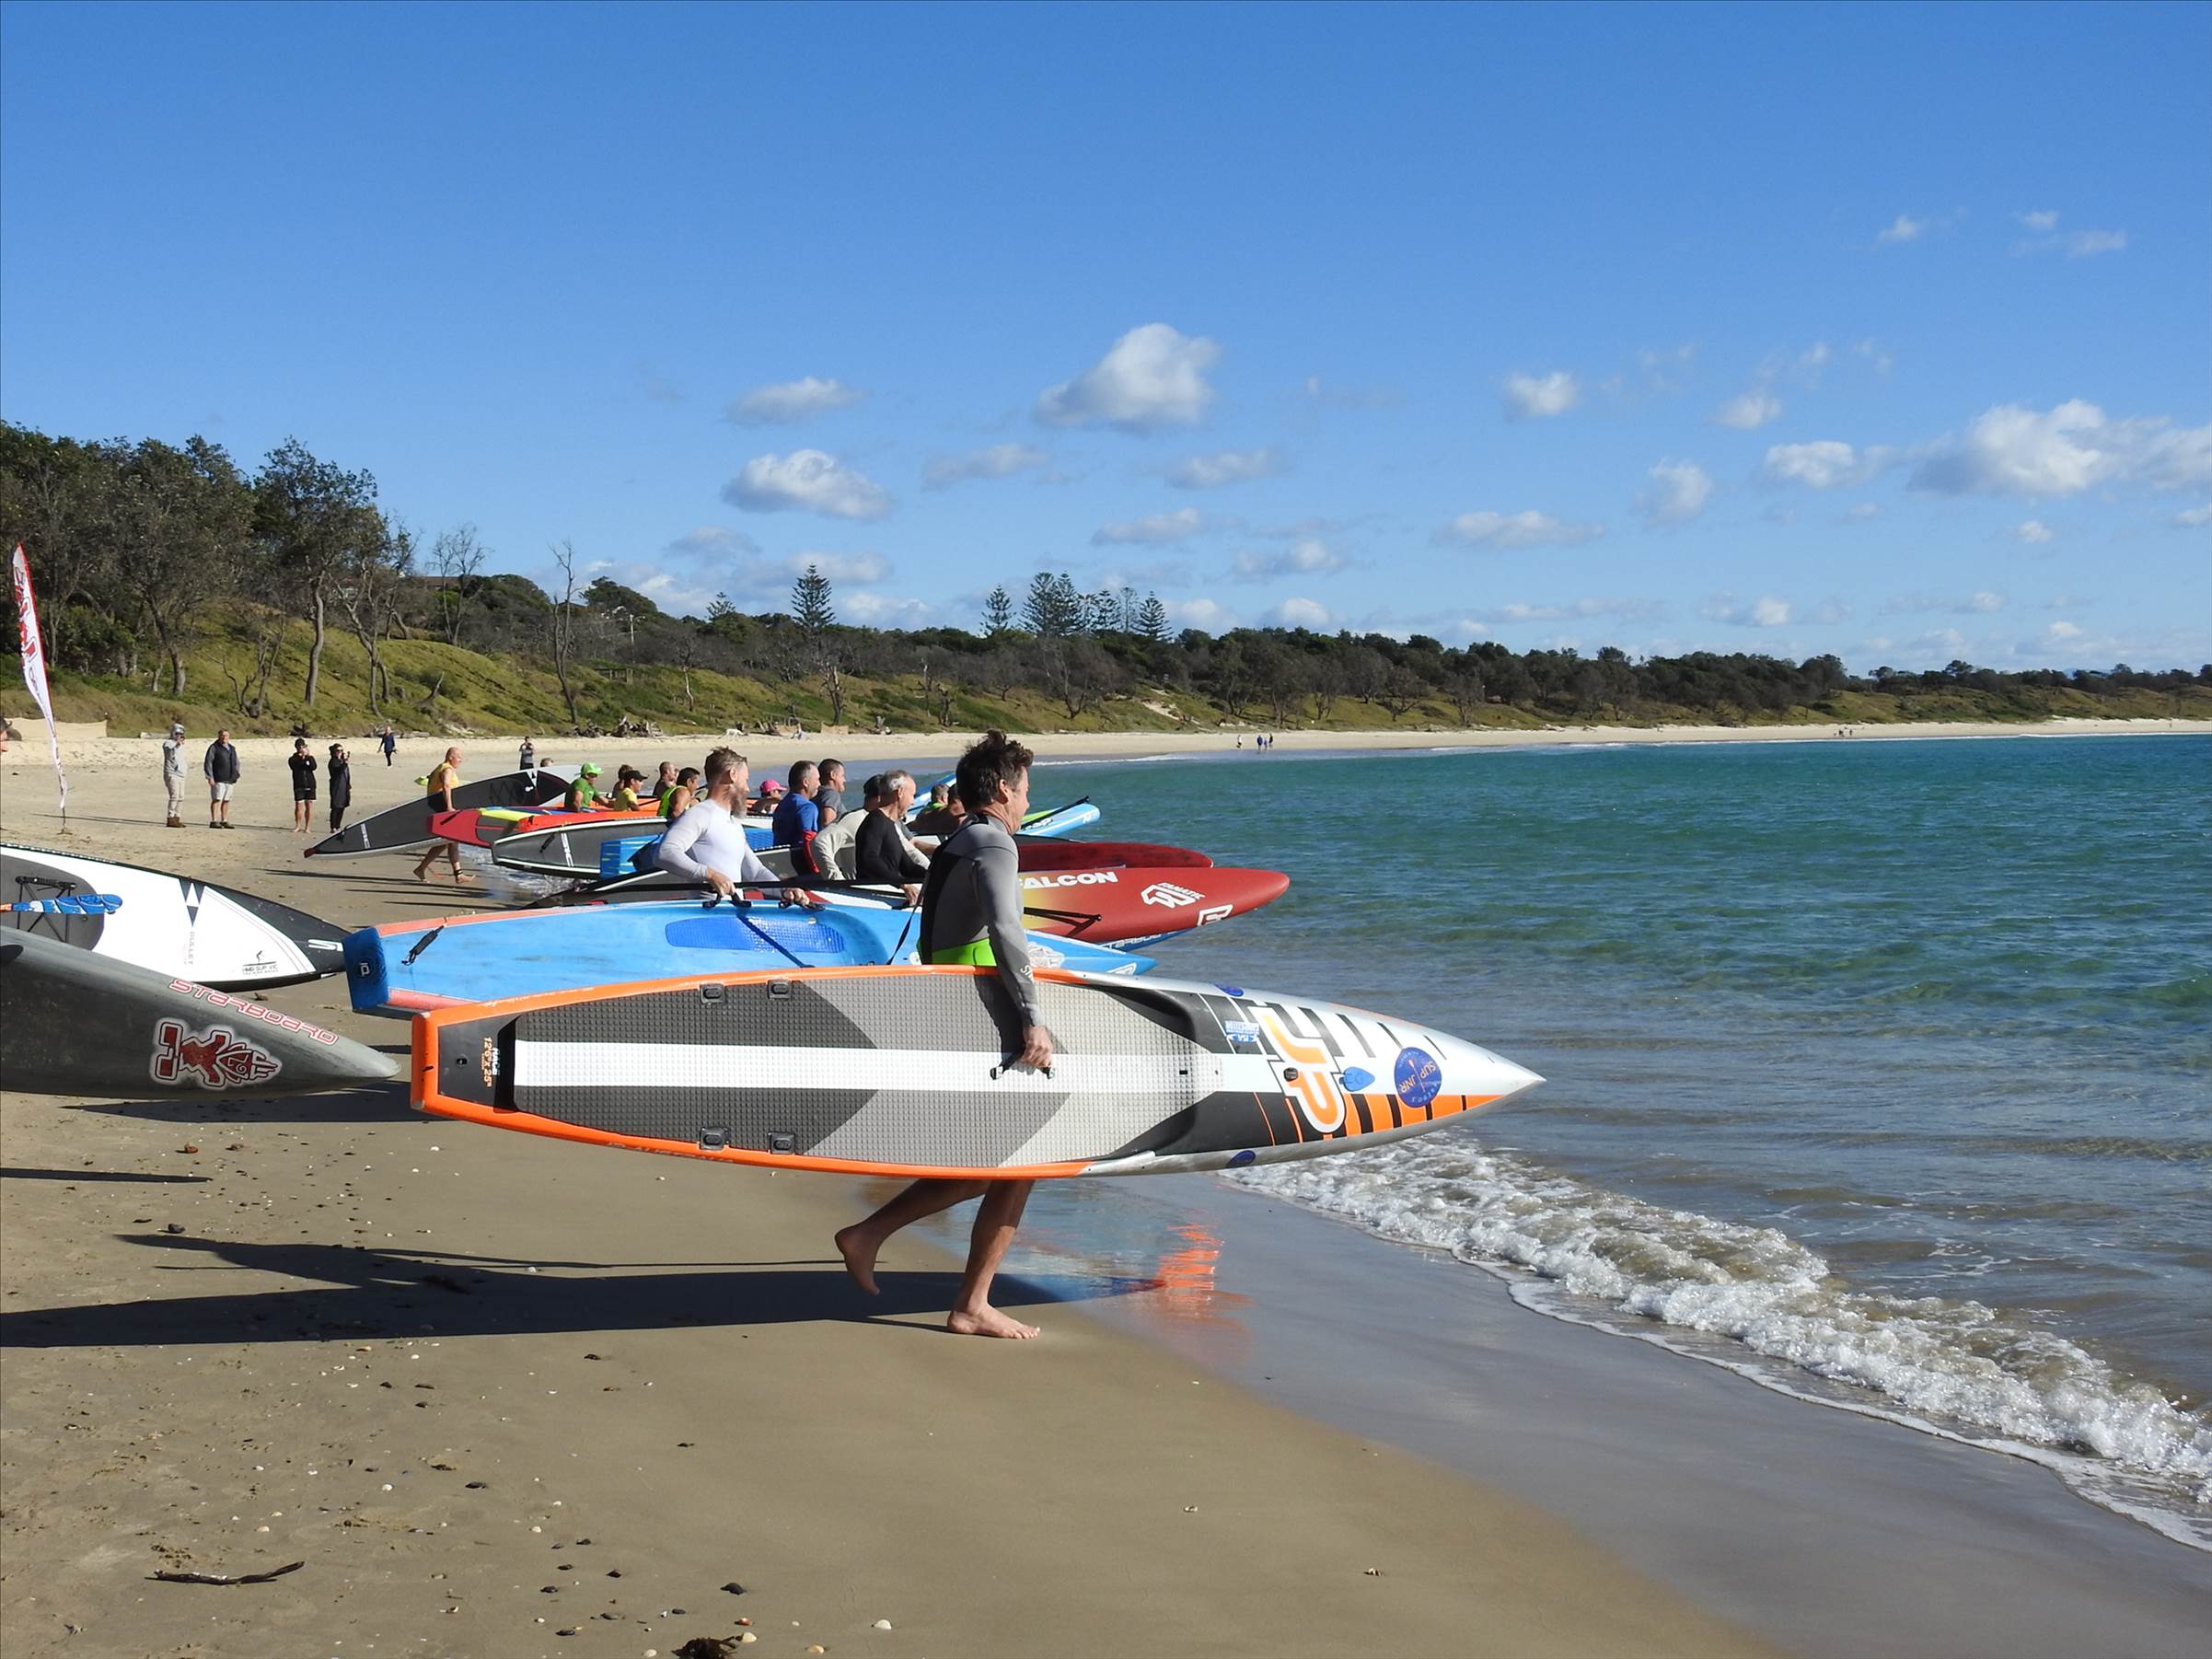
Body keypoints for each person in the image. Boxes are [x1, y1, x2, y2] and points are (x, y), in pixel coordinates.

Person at [834, 731, 1054, 1340]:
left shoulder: (962, 838)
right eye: (1025, 790)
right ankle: (966, 1302)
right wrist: (1032, 1015)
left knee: (1003, 1165)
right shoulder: (995, 842)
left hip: (957, 1010)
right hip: (984, 1017)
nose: (1027, 802)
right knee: (1022, 1161)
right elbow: (1006, 933)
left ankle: (873, 1237)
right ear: (1003, 789)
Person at [655, 748, 819, 907]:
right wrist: (710, 874)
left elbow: (756, 872)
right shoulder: (700, 814)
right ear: (732, 775)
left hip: (732, 913)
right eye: (746, 780)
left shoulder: (733, 824)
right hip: (708, 914)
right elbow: (665, 852)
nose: (747, 789)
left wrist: (784, 890)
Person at [852, 768, 932, 905]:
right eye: (912, 795)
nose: (913, 802)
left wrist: (936, 877)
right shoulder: (875, 821)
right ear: (900, 792)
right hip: (873, 898)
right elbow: (869, 859)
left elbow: (907, 866)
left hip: (885, 894)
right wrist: (903, 884)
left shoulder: (890, 824)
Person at [807, 773, 879, 882]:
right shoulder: (855, 819)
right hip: (860, 888)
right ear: (879, 798)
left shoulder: (891, 822)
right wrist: (838, 881)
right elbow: (819, 842)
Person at [410, 747, 467, 882]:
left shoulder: (439, 768)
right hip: (442, 809)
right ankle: (458, 875)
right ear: (451, 757)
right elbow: (446, 786)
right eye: (459, 757)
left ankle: (421, 869)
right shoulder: (447, 769)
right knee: (453, 840)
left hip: (436, 808)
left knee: (445, 842)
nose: (461, 760)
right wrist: (449, 807)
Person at [770, 760, 821, 875]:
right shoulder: (807, 807)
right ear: (806, 782)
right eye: (817, 779)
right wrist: (817, 871)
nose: (819, 784)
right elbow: (809, 840)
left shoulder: (782, 805)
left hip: (779, 863)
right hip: (799, 867)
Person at [203, 728, 240, 829]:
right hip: (218, 778)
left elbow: (237, 762)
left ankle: (224, 820)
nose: (224, 737)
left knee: (227, 800)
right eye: (222, 735)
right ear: (219, 736)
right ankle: (214, 820)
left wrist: (236, 773)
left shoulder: (232, 748)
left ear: (229, 736)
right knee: (217, 799)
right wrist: (210, 777)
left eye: (226, 735)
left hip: (230, 778)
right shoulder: (214, 747)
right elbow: (208, 762)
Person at [160, 722, 189, 828]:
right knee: (174, 796)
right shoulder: (168, 743)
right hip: (172, 773)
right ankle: (170, 817)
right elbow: (170, 753)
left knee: (181, 796)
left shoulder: (182, 745)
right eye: (177, 734)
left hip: (181, 773)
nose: (179, 736)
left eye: (181, 734)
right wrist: (176, 744)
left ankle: (177, 817)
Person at [286, 737, 318, 833]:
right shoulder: (293, 759)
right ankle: (298, 825)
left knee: (309, 805)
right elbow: (296, 766)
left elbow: (313, 767)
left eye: (302, 746)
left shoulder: (310, 758)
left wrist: (308, 756)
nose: (301, 748)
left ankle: (307, 827)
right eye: (299, 747)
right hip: (299, 784)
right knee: (299, 806)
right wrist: (303, 758)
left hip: (310, 784)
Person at [327, 742, 353, 831]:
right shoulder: (333, 761)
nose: (340, 752)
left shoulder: (342, 761)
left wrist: (348, 785)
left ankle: (338, 825)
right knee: (336, 806)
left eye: (341, 751)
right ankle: (333, 826)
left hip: (344, 786)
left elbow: (347, 774)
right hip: (336, 786)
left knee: (342, 806)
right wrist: (344, 764)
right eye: (338, 751)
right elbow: (337, 772)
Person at [815, 758, 847, 824]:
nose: (844, 780)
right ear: (833, 775)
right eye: (842, 776)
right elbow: (827, 821)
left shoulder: (815, 793)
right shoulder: (831, 794)